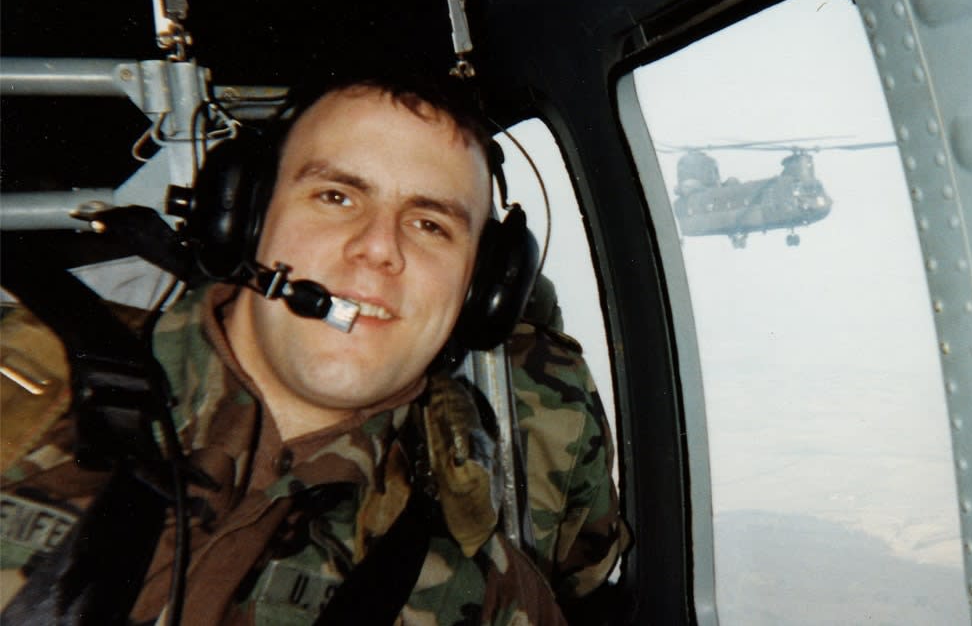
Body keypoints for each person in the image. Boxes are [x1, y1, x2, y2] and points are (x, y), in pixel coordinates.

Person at [0, 72, 626, 624]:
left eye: (430, 223)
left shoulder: (487, 598)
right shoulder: (17, 397)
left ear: (481, 293)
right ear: (242, 218)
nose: (380, 248)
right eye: (337, 196)